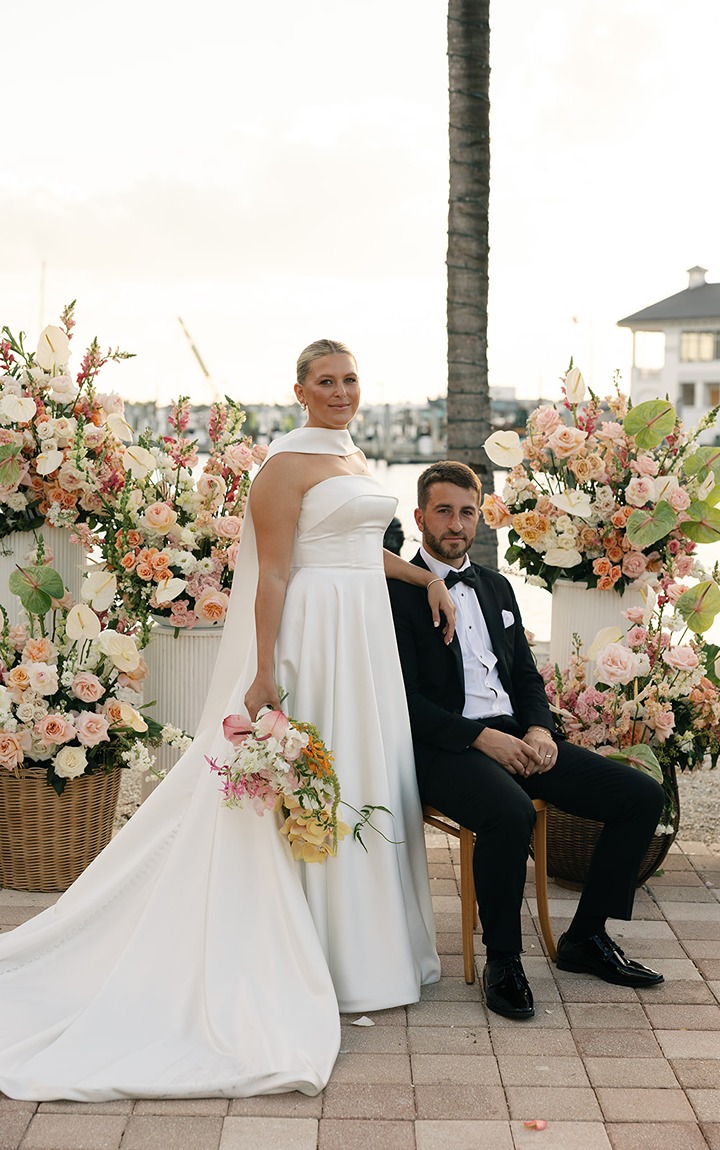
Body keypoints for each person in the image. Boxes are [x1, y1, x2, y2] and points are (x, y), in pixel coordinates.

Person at [0, 340, 451, 1101]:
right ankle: (317, 955)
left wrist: (423, 578)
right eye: (326, 381)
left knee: (361, 775)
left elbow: (353, 548)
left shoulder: (349, 454)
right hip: (315, 636)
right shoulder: (283, 466)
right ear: (299, 390)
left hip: (363, 636)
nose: (341, 391)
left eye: (349, 379)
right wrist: (265, 670)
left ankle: (370, 953)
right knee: (313, 781)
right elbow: (273, 570)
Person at [387, 461, 667, 1022]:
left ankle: (585, 938)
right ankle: (505, 960)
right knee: (510, 812)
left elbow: (525, 676)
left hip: (517, 736)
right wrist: (481, 739)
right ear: (419, 518)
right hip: (445, 748)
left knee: (640, 796)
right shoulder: (395, 593)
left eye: (467, 512)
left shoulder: (497, 586)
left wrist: (539, 728)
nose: (456, 524)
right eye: (443, 511)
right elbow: (403, 700)